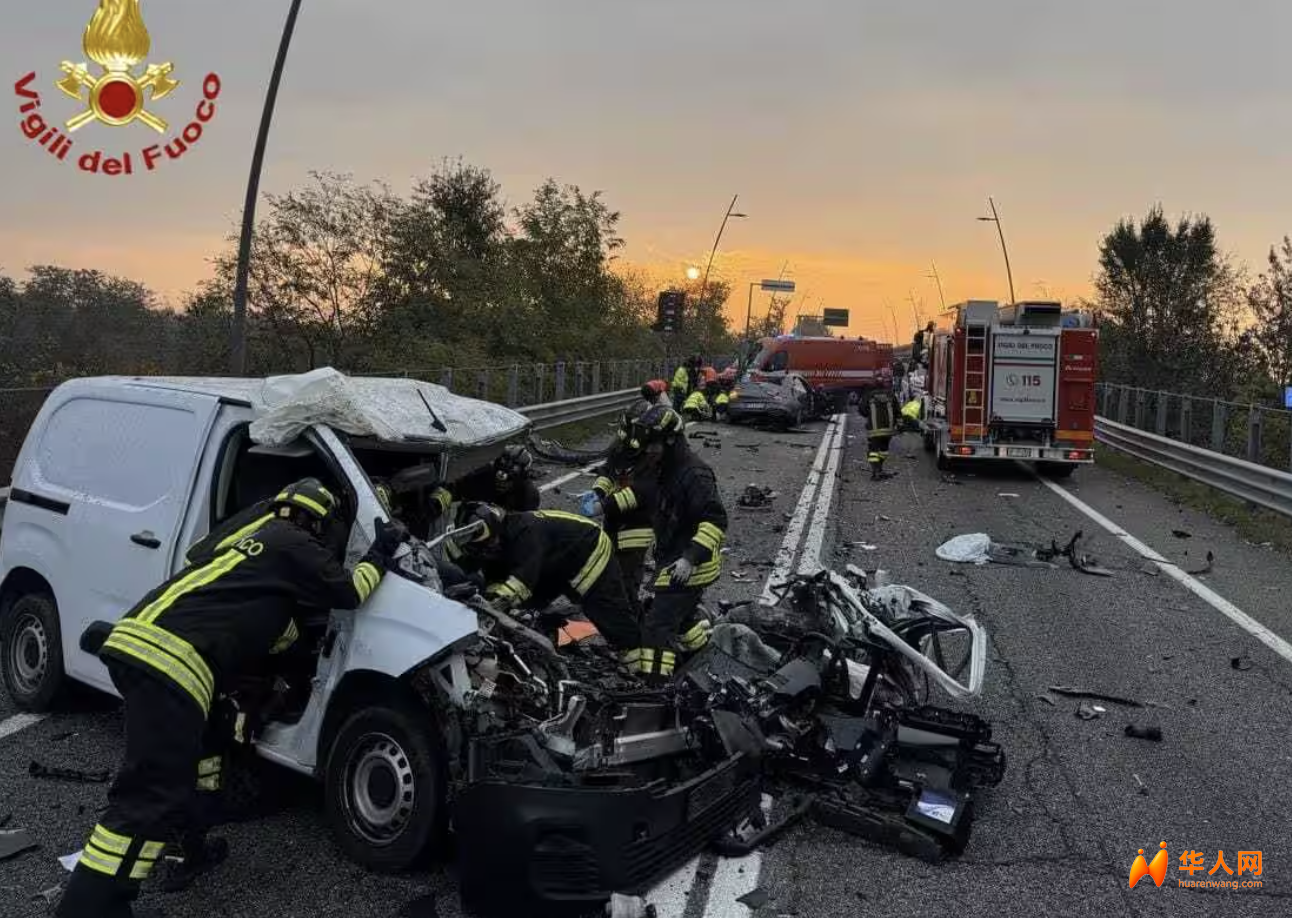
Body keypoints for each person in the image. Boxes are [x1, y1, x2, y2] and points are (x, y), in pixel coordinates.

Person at [56, 479, 406, 918]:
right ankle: (90, 907)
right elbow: (350, 592)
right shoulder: (292, 540)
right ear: (315, 522)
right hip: (173, 664)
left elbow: (216, 577)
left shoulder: (248, 547)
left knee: (203, 756)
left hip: (143, 642)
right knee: (147, 798)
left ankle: (190, 849)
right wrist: (381, 551)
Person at [444, 503, 642, 654]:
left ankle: (639, 660)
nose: (487, 551)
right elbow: (494, 581)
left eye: (488, 545)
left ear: (496, 532)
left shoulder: (525, 533)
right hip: (554, 561)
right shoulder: (497, 543)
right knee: (529, 606)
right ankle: (546, 630)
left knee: (603, 609)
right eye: (480, 550)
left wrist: (487, 610)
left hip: (587, 548)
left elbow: (521, 583)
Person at [622, 406, 728, 683]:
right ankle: (702, 656)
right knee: (682, 618)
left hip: (690, 565)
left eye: (653, 445)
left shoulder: (695, 474)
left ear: (671, 440)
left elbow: (715, 520)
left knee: (657, 627)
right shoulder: (665, 467)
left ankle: (655, 685)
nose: (649, 451)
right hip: (672, 557)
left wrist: (690, 558)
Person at [582, 400, 660, 613]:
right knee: (607, 573)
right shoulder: (623, 448)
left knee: (627, 581)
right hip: (614, 523)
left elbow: (642, 492)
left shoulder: (654, 455)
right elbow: (609, 472)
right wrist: (598, 491)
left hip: (637, 528)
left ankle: (631, 619)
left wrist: (604, 505)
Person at [428, 444, 540, 522]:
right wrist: (439, 499)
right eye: (497, 477)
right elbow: (456, 486)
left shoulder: (529, 495)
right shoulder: (482, 474)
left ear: (521, 479)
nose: (501, 483)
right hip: (466, 524)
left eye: (508, 481)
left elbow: (525, 527)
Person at [864, 392, 899, 480]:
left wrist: (869, 415)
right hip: (887, 430)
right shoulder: (891, 395)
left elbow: (862, 410)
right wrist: (899, 424)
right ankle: (879, 468)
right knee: (884, 451)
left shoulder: (869, 395)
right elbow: (897, 411)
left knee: (873, 451)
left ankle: (876, 471)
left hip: (874, 430)